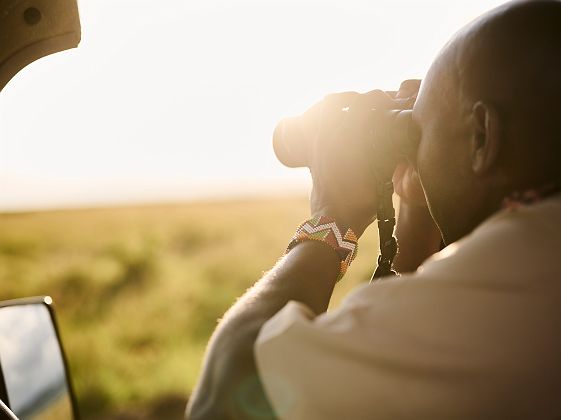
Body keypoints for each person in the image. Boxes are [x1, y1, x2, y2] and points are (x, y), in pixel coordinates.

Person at [186, 1, 561, 418]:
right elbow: (419, 359)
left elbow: (225, 395)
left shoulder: (523, 266)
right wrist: (417, 216)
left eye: (416, 128)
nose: (411, 142)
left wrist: (329, 217)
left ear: (480, 136)